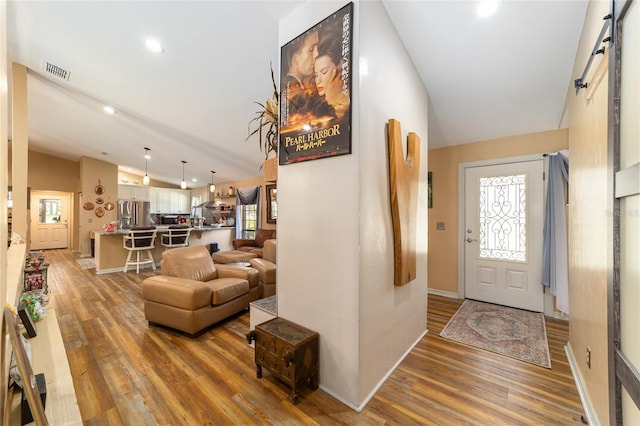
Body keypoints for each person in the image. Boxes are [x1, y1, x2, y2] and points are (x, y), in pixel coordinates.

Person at [313, 28, 349, 118]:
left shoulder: (348, 98)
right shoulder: (318, 104)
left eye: (324, 72)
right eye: (316, 75)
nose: (318, 81)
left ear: (340, 65)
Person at [283, 29, 319, 96]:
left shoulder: (299, 86)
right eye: (311, 49)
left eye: (317, 48)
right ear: (296, 60)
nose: (316, 54)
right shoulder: (292, 90)